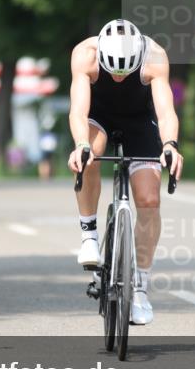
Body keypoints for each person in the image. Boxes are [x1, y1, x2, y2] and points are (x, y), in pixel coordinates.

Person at [67, 19, 184, 325]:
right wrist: (81, 144)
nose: (118, 77)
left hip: (139, 120)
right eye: (113, 70)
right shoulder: (85, 54)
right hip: (99, 116)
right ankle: (89, 235)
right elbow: (78, 110)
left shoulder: (154, 56)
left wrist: (170, 145)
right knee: (89, 154)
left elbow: (166, 109)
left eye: (125, 71)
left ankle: (141, 288)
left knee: (148, 201)